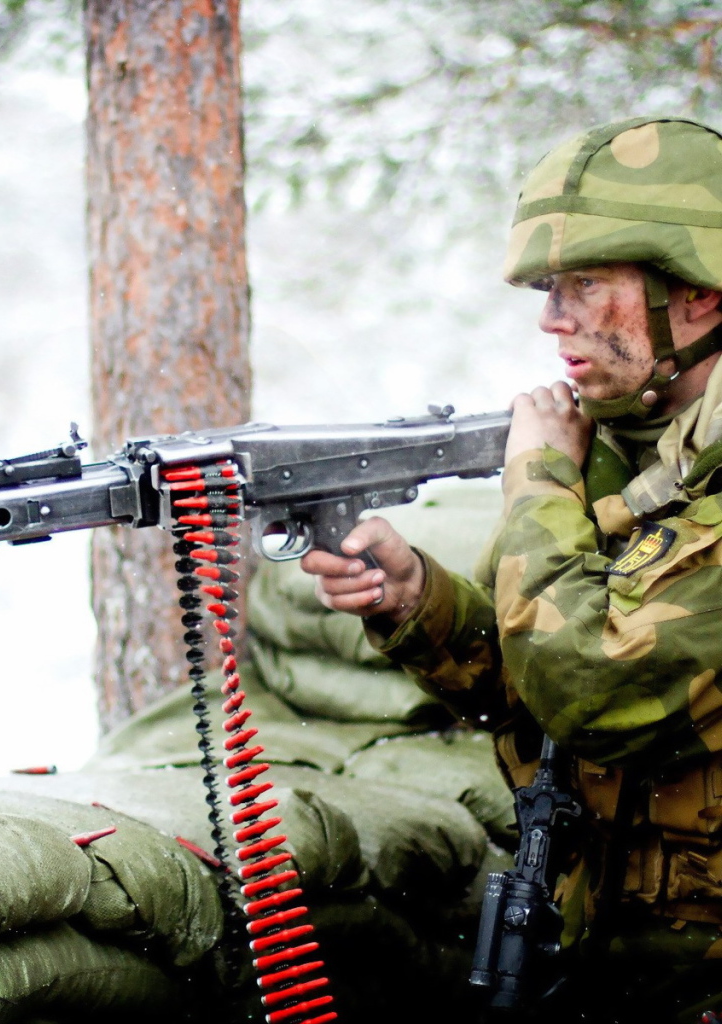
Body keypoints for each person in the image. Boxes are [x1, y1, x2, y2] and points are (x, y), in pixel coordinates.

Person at [301, 116, 722, 1023]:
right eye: (545, 287)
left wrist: (536, 480)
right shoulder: (619, 445)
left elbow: (589, 688)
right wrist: (415, 596)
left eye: (586, 285)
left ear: (700, 296)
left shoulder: (580, 463)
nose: (550, 318)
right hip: (612, 957)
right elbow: (517, 678)